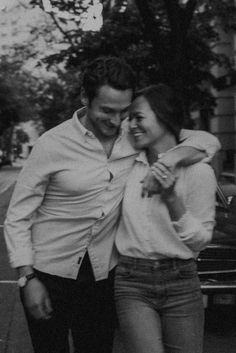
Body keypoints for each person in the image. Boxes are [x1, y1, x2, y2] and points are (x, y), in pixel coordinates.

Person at [4, 57, 220, 353]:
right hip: (48, 273)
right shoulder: (51, 144)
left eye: (124, 112)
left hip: (103, 277)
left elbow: (207, 141)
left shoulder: (134, 137)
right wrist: (26, 277)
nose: (116, 121)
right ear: (84, 98)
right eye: (106, 110)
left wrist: (172, 158)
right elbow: (18, 216)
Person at [114, 84, 217, 353]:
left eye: (138, 117)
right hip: (132, 280)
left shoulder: (198, 172)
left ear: (164, 115)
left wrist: (172, 199)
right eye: (129, 118)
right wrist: (169, 159)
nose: (130, 124)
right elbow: (209, 141)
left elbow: (200, 242)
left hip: (181, 281)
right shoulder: (126, 163)